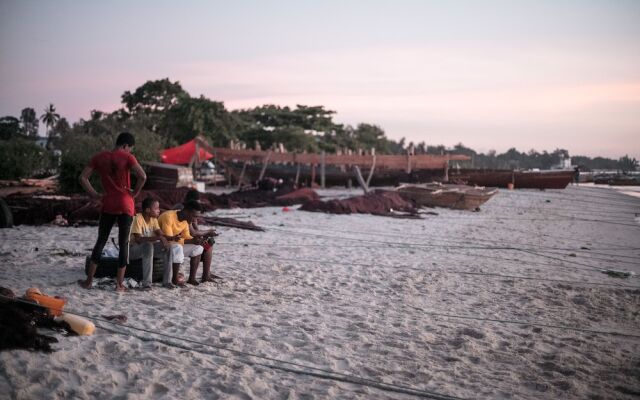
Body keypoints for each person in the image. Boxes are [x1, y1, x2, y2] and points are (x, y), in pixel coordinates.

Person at [78, 132, 146, 292]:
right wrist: (134, 193)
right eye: (129, 149)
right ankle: (119, 285)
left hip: (108, 202)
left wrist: (94, 195)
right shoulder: (129, 158)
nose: (129, 151)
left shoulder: (99, 157)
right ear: (125, 146)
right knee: (124, 244)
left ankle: (88, 281)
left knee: (101, 241)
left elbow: (82, 178)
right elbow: (142, 176)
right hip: (126, 203)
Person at [129, 197, 181, 290]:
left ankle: (167, 282)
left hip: (148, 249)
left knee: (169, 247)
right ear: (148, 210)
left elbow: (161, 235)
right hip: (133, 250)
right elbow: (138, 239)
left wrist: (172, 237)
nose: (159, 210)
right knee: (148, 245)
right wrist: (159, 238)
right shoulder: (137, 218)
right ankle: (147, 284)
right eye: (156, 208)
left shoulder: (154, 220)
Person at [174, 189, 220, 282]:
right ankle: (205, 275)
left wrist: (205, 235)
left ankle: (206, 274)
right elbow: (193, 232)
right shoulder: (186, 210)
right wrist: (207, 232)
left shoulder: (191, 210)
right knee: (206, 245)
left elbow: (196, 230)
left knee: (208, 242)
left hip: (185, 237)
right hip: (178, 239)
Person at [158, 200, 205, 286]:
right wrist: (191, 240)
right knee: (177, 247)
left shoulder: (186, 220)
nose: (195, 220)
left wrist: (197, 240)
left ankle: (192, 279)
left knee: (198, 248)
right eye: (194, 216)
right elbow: (169, 239)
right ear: (187, 211)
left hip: (174, 245)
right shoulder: (168, 217)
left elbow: (186, 237)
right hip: (161, 245)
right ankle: (174, 279)